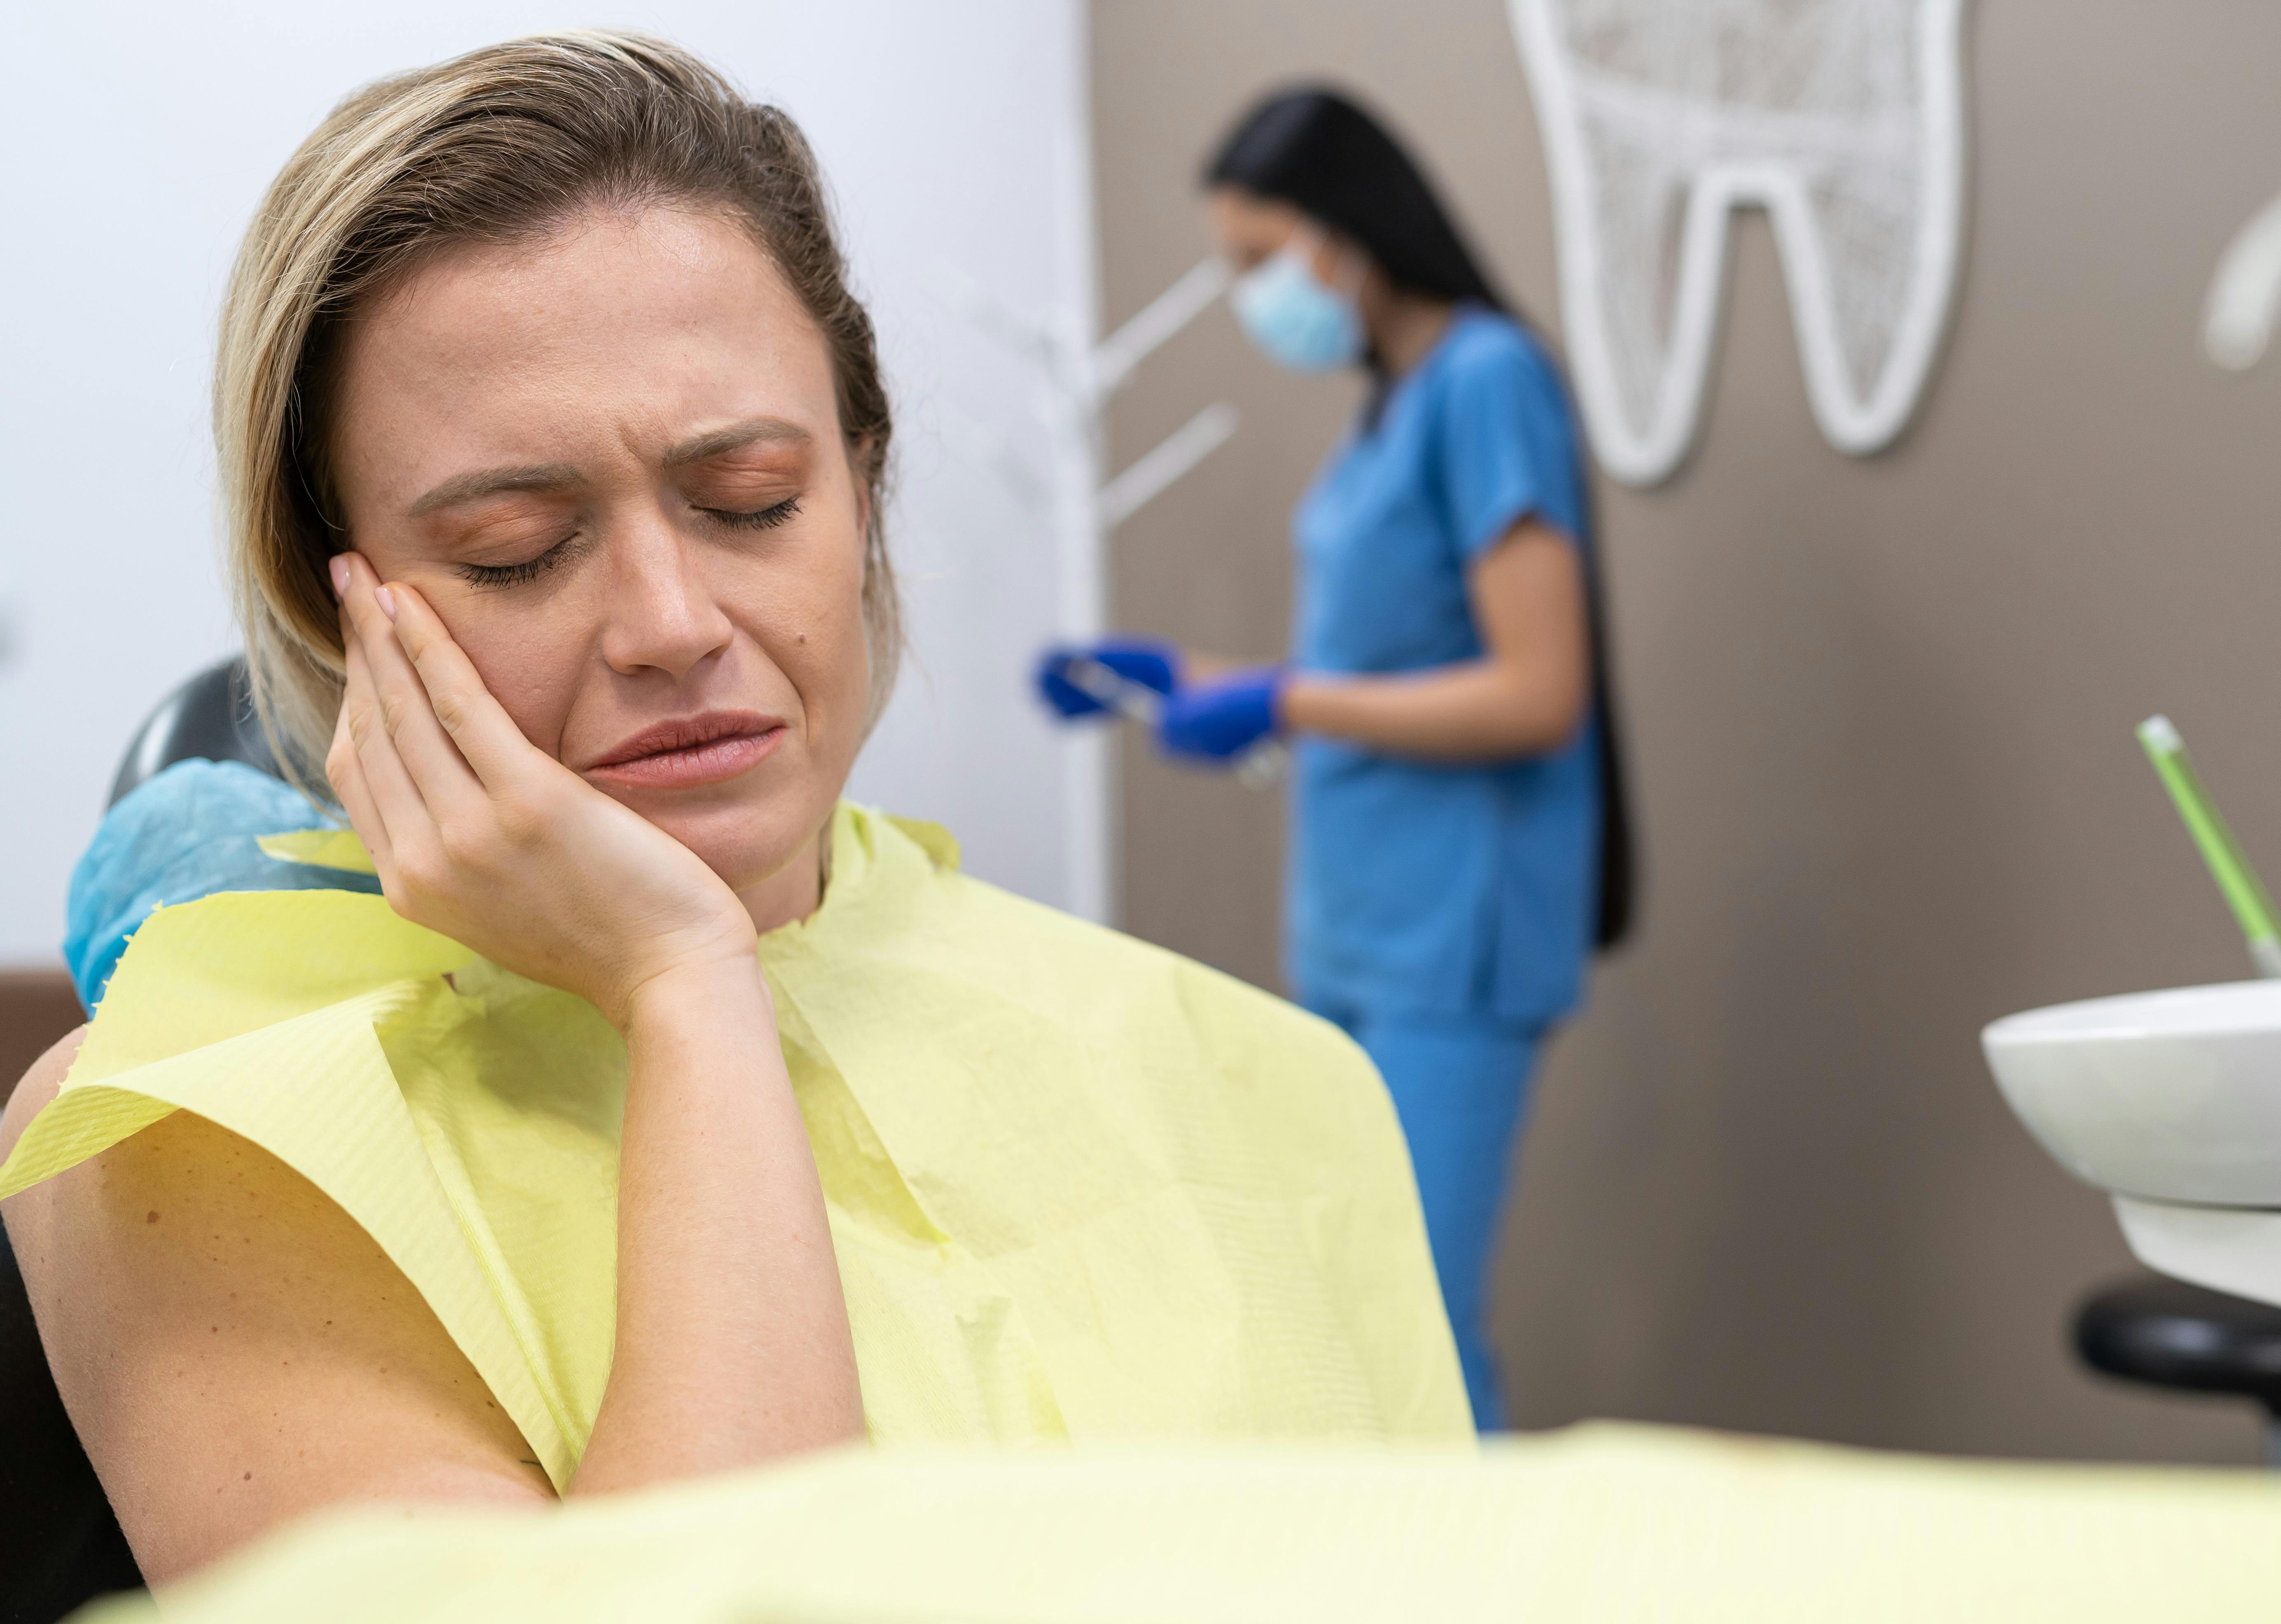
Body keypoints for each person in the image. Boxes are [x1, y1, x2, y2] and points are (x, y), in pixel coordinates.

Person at [0, 35, 1466, 1585]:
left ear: (863, 487)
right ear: (334, 598)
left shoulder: (1277, 1085)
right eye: (514, 548)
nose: (668, 621)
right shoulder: (191, 1140)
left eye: (754, 500)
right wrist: (684, 986)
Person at [1036, 88, 1635, 1431]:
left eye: (1259, 260)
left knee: (1409, 1329)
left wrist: (1284, 701)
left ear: (1347, 233)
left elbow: (1539, 692)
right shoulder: (1395, 406)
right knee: (1354, 1313)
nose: (1250, 295)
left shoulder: (1486, 380)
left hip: (1454, 933)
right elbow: (1384, 658)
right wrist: (1179, 686)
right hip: (1364, 925)